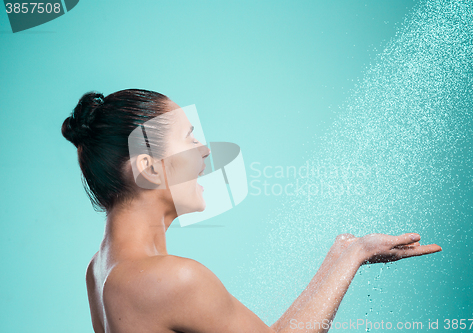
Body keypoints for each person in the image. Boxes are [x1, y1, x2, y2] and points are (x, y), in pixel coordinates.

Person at [61, 89, 442, 333]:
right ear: (149, 168)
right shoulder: (171, 278)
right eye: (189, 138)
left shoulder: (100, 271)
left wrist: (339, 257)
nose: (205, 151)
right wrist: (354, 256)